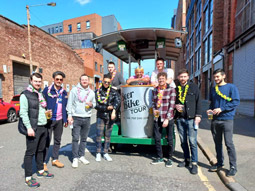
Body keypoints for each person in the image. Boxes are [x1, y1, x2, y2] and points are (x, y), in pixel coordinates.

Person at [20, 73, 54, 188]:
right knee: (30, 152)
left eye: (39, 81)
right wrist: (29, 127)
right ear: (31, 81)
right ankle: (28, 177)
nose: (38, 83)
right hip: (33, 128)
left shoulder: (40, 94)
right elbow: (23, 113)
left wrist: (47, 115)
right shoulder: (25, 95)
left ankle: (40, 170)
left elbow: (40, 109)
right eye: (35, 81)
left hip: (43, 126)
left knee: (41, 150)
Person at [207, 69, 240, 177]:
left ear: (223, 76)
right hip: (215, 120)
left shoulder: (231, 87)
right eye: (215, 77)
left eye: (218, 77)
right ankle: (219, 163)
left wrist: (222, 109)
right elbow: (212, 103)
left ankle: (233, 166)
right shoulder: (213, 89)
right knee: (217, 144)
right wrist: (210, 110)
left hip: (227, 119)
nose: (216, 79)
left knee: (229, 143)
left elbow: (235, 101)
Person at [175, 69, 202, 175]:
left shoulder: (194, 87)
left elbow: (199, 102)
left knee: (192, 142)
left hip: (191, 119)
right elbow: (173, 101)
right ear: (178, 77)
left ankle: (194, 163)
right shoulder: (176, 89)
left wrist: (198, 116)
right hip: (180, 119)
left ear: (188, 77)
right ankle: (187, 160)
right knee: (183, 141)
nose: (183, 78)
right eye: (181, 76)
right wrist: (175, 106)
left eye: (185, 76)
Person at [67, 74, 96, 168]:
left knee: (83, 139)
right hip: (76, 117)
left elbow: (95, 104)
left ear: (88, 81)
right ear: (80, 81)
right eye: (82, 79)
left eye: (86, 80)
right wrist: (69, 115)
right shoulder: (74, 90)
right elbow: (70, 103)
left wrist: (92, 104)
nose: (84, 81)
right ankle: (75, 157)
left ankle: (81, 156)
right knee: (75, 138)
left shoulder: (91, 92)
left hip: (87, 118)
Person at [42, 71, 68, 171]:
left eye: (61, 79)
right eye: (57, 79)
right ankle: (44, 162)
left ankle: (55, 159)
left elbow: (65, 107)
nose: (59, 81)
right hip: (49, 120)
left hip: (60, 120)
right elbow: (41, 103)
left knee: (57, 141)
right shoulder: (47, 90)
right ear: (53, 79)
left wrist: (65, 120)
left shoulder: (64, 92)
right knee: (46, 141)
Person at [150, 72, 176, 167]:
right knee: (157, 138)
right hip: (158, 117)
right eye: (159, 79)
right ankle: (160, 157)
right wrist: (154, 110)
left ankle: (170, 158)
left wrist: (167, 119)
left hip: (167, 117)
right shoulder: (155, 90)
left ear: (166, 79)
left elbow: (172, 105)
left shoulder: (171, 89)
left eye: (162, 78)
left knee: (169, 139)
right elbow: (153, 102)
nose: (161, 80)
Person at [94, 74, 121, 162]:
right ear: (102, 81)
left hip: (110, 117)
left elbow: (118, 100)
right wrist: (106, 108)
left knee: (108, 136)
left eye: (108, 82)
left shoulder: (113, 91)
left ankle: (105, 152)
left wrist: (113, 110)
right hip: (100, 116)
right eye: (105, 82)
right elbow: (96, 105)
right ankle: (98, 152)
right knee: (99, 135)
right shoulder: (97, 91)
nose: (106, 83)